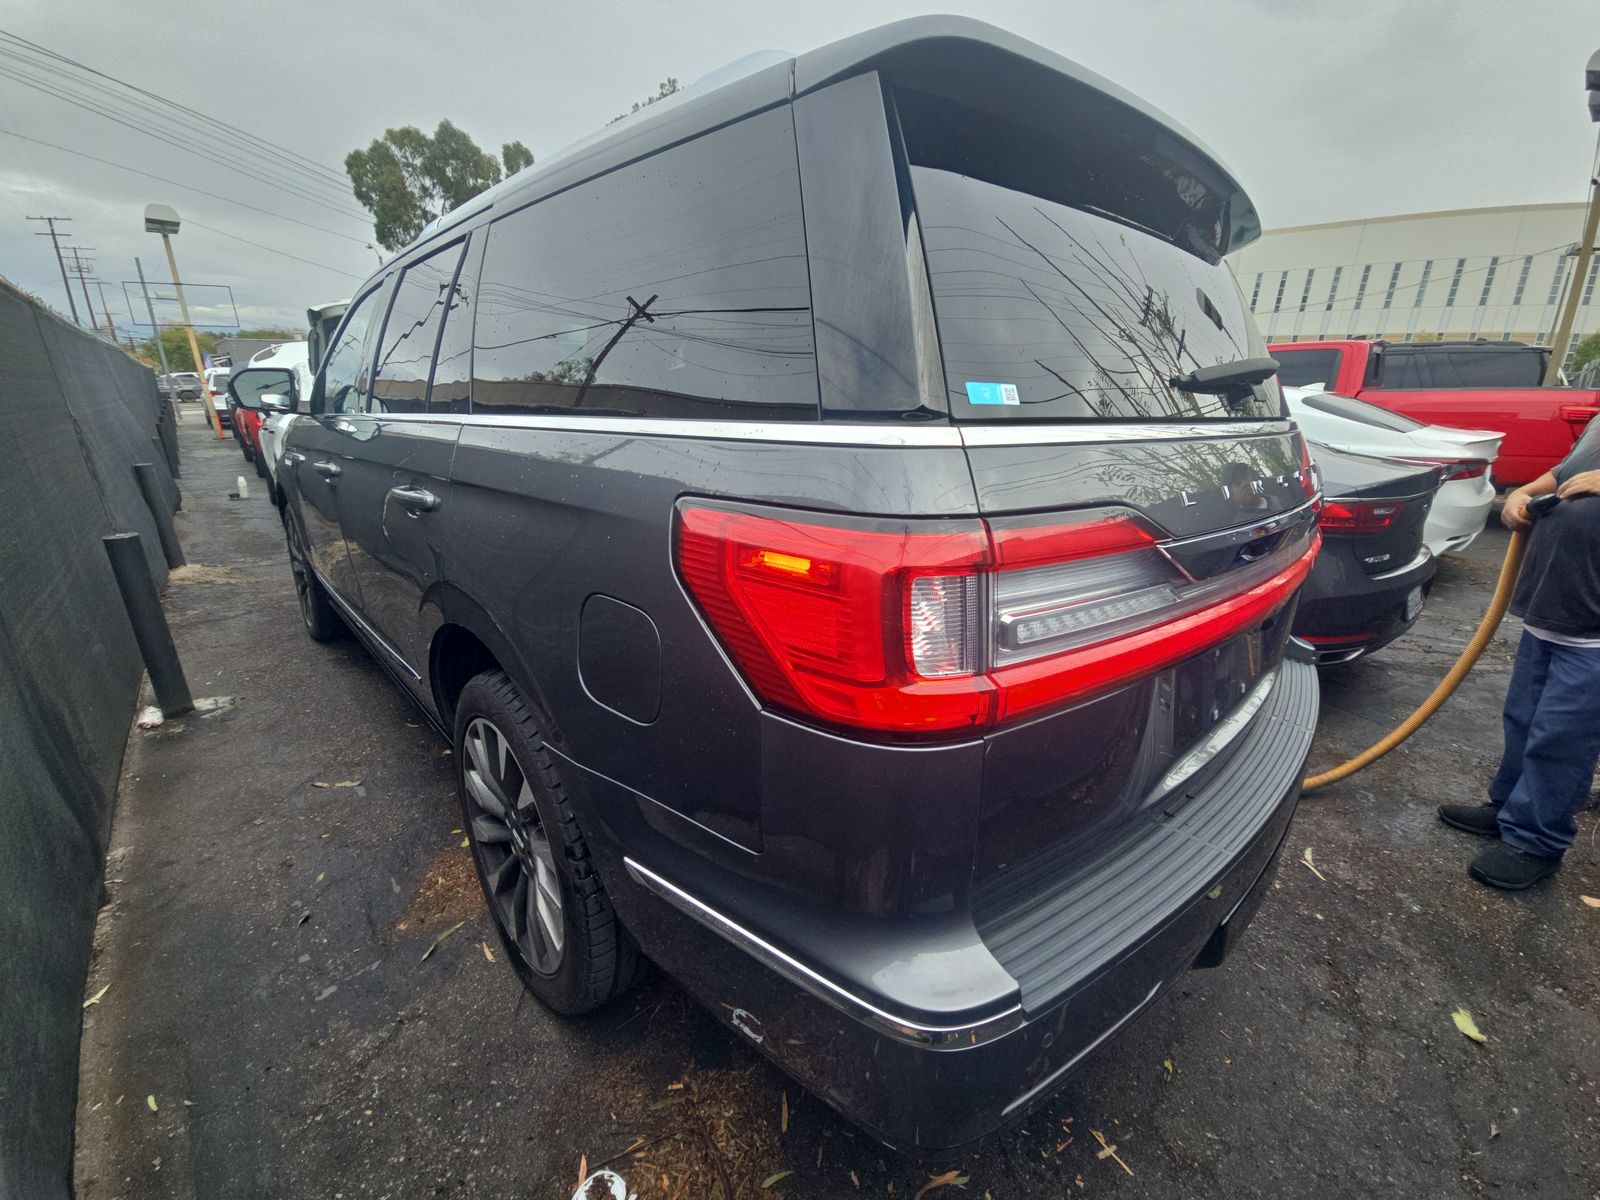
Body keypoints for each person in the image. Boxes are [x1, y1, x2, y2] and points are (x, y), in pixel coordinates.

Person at [1438, 419, 1600, 889]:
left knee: (1562, 739)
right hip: (1549, 613)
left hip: (1592, 635)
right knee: (1524, 721)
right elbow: (1558, 476)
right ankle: (1508, 808)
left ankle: (1535, 842)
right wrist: (1519, 496)